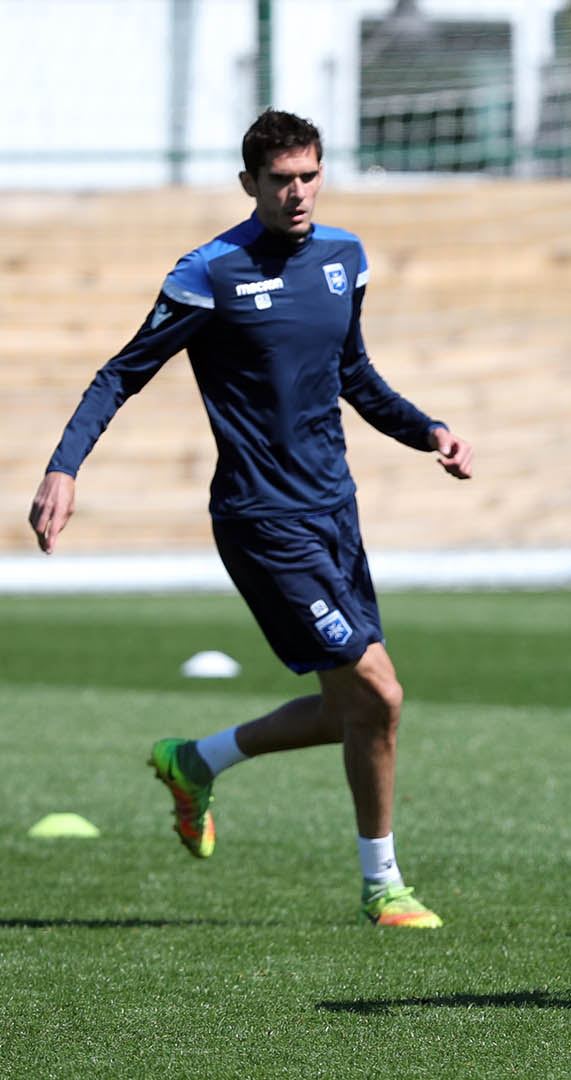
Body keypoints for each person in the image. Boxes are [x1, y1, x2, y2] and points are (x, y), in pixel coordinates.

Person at [27, 109, 474, 929]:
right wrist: (64, 467)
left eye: (309, 175)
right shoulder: (210, 273)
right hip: (262, 520)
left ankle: (193, 762)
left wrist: (428, 432)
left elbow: (355, 376)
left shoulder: (345, 258)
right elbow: (119, 375)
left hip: (334, 511)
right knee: (382, 690)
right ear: (249, 184)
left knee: (355, 710)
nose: (297, 192)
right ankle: (383, 886)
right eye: (280, 180)